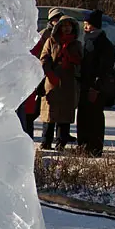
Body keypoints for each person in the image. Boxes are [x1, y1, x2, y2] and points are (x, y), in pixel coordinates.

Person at [40, 15, 83, 150]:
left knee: (64, 115)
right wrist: (50, 74)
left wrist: (72, 60)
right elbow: (44, 59)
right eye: (64, 26)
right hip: (52, 81)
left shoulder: (76, 44)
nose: (67, 29)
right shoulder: (51, 41)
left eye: (69, 26)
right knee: (49, 114)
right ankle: (46, 141)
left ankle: (61, 142)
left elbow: (81, 62)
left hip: (68, 83)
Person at [77, 10, 115, 157]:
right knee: (83, 116)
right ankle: (83, 146)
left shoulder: (104, 44)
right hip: (84, 85)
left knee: (95, 117)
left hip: (96, 87)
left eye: (88, 25)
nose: (85, 28)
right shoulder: (86, 40)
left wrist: (96, 87)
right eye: (85, 25)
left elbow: (105, 68)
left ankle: (95, 147)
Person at [25, 7, 64, 139]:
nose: (58, 21)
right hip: (41, 74)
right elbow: (36, 54)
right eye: (56, 19)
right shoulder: (45, 35)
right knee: (38, 107)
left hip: (56, 74)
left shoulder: (63, 35)